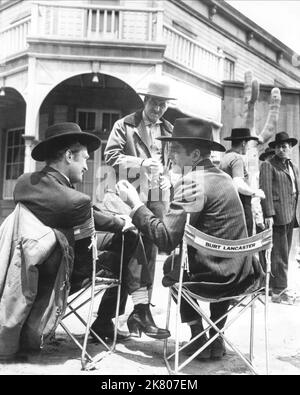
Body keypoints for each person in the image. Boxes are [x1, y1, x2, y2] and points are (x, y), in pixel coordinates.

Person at [116, 118, 265, 360]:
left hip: (217, 280)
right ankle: (216, 338)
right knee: (198, 261)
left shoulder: (192, 182)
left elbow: (165, 239)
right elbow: (182, 223)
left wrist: (134, 203)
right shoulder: (222, 178)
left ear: (194, 154)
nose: (170, 155)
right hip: (244, 273)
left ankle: (198, 336)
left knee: (171, 265)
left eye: (175, 150)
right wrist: (164, 194)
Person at [13, 122, 141, 342]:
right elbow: (82, 208)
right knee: (131, 238)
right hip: (64, 272)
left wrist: (114, 220)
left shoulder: (24, 184)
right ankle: (115, 316)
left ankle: (132, 308)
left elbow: (78, 208)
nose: (87, 167)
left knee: (123, 237)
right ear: (69, 157)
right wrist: (122, 223)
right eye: (85, 159)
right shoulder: (75, 199)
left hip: (32, 265)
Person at [96, 78, 175, 339]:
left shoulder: (169, 129)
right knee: (130, 250)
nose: (159, 109)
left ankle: (131, 315)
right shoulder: (126, 125)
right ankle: (132, 314)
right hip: (127, 196)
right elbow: (111, 157)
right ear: (145, 101)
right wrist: (141, 163)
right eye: (155, 103)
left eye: (163, 105)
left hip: (156, 198)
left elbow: (169, 164)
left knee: (148, 256)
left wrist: (167, 177)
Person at [259, 132, 300, 305]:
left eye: (284, 147)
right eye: (278, 147)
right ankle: (279, 290)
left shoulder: (292, 166)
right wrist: (268, 214)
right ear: (274, 149)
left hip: (290, 213)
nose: (281, 149)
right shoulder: (269, 165)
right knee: (279, 254)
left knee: (284, 251)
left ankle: (277, 287)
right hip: (277, 215)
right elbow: (265, 190)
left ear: (290, 148)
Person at [220, 128, 265, 236]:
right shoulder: (237, 159)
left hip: (227, 205)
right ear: (244, 143)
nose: (248, 147)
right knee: (244, 241)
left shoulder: (225, 157)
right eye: (248, 143)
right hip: (240, 206)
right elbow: (238, 184)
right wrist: (255, 192)